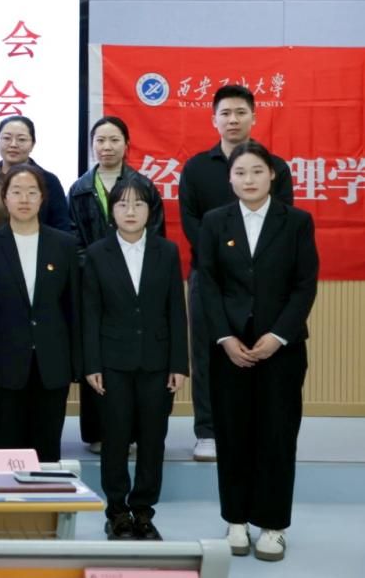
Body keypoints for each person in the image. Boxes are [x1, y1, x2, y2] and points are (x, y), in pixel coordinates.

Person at [197, 141, 317, 564]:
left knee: (277, 435)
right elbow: (207, 282)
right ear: (230, 179)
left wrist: (279, 335)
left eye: (257, 171)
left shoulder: (296, 221)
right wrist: (225, 338)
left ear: (273, 176)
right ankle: (235, 520)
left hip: (281, 350)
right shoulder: (215, 221)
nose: (248, 179)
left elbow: (304, 284)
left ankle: (272, 526)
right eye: (240, 172)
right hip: (229, 349)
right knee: (232, 435)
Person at [179, 84, 295, 463]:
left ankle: (254, 429)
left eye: (240, 112)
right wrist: (224, 261)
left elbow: (283, 223)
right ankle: (208, 431)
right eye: (225, 113)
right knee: (207, 353)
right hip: (209, 276)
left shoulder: (275, 168)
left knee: (259, 350)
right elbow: (191, 222)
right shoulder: (196, 168)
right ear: (214, 119)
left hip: (262, 281)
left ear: (254, 117)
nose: (233, 119)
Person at [82, 177, 187, 542]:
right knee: (114, 438)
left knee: (153, 439)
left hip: (157, 362)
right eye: (122, 204)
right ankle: (117, 512)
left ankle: (143, 511)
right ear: (112, 210)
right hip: (112, 362)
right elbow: (90, 313)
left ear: (150, 211)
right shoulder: (97, 253)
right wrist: (92, 364)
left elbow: (176, 310)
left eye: (138, 204)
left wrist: (179, 364)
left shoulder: (166, 251)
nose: (130, 211)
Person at [0, 163, 80, 462]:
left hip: (52, 365)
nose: (24, 199)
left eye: (32, 192)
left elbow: (73, 308)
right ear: (5, 198)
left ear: (43, 198)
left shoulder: (64, 245)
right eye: (16, 192)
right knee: (4, 447)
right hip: (3, 366)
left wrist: (76, 363)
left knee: (47, 452)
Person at [68, 115, 166, 454]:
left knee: (134, 357)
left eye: (114, 140)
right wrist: (100, 268)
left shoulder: (144, 186)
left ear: (126, 144)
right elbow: (74, 241)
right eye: (100, 140)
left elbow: (156, 236)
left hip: (137, 285)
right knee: (96, 354)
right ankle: (97, 432)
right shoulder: (79, 189)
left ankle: (134, 433)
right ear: (91, 145)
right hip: (92, 284)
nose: (106, 147)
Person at [0, 115, 71, 248]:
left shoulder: (48, 181)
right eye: (6, 138)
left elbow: (62, 226)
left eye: (21, 139)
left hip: (39, 254)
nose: (13, 144)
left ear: (33, 144)